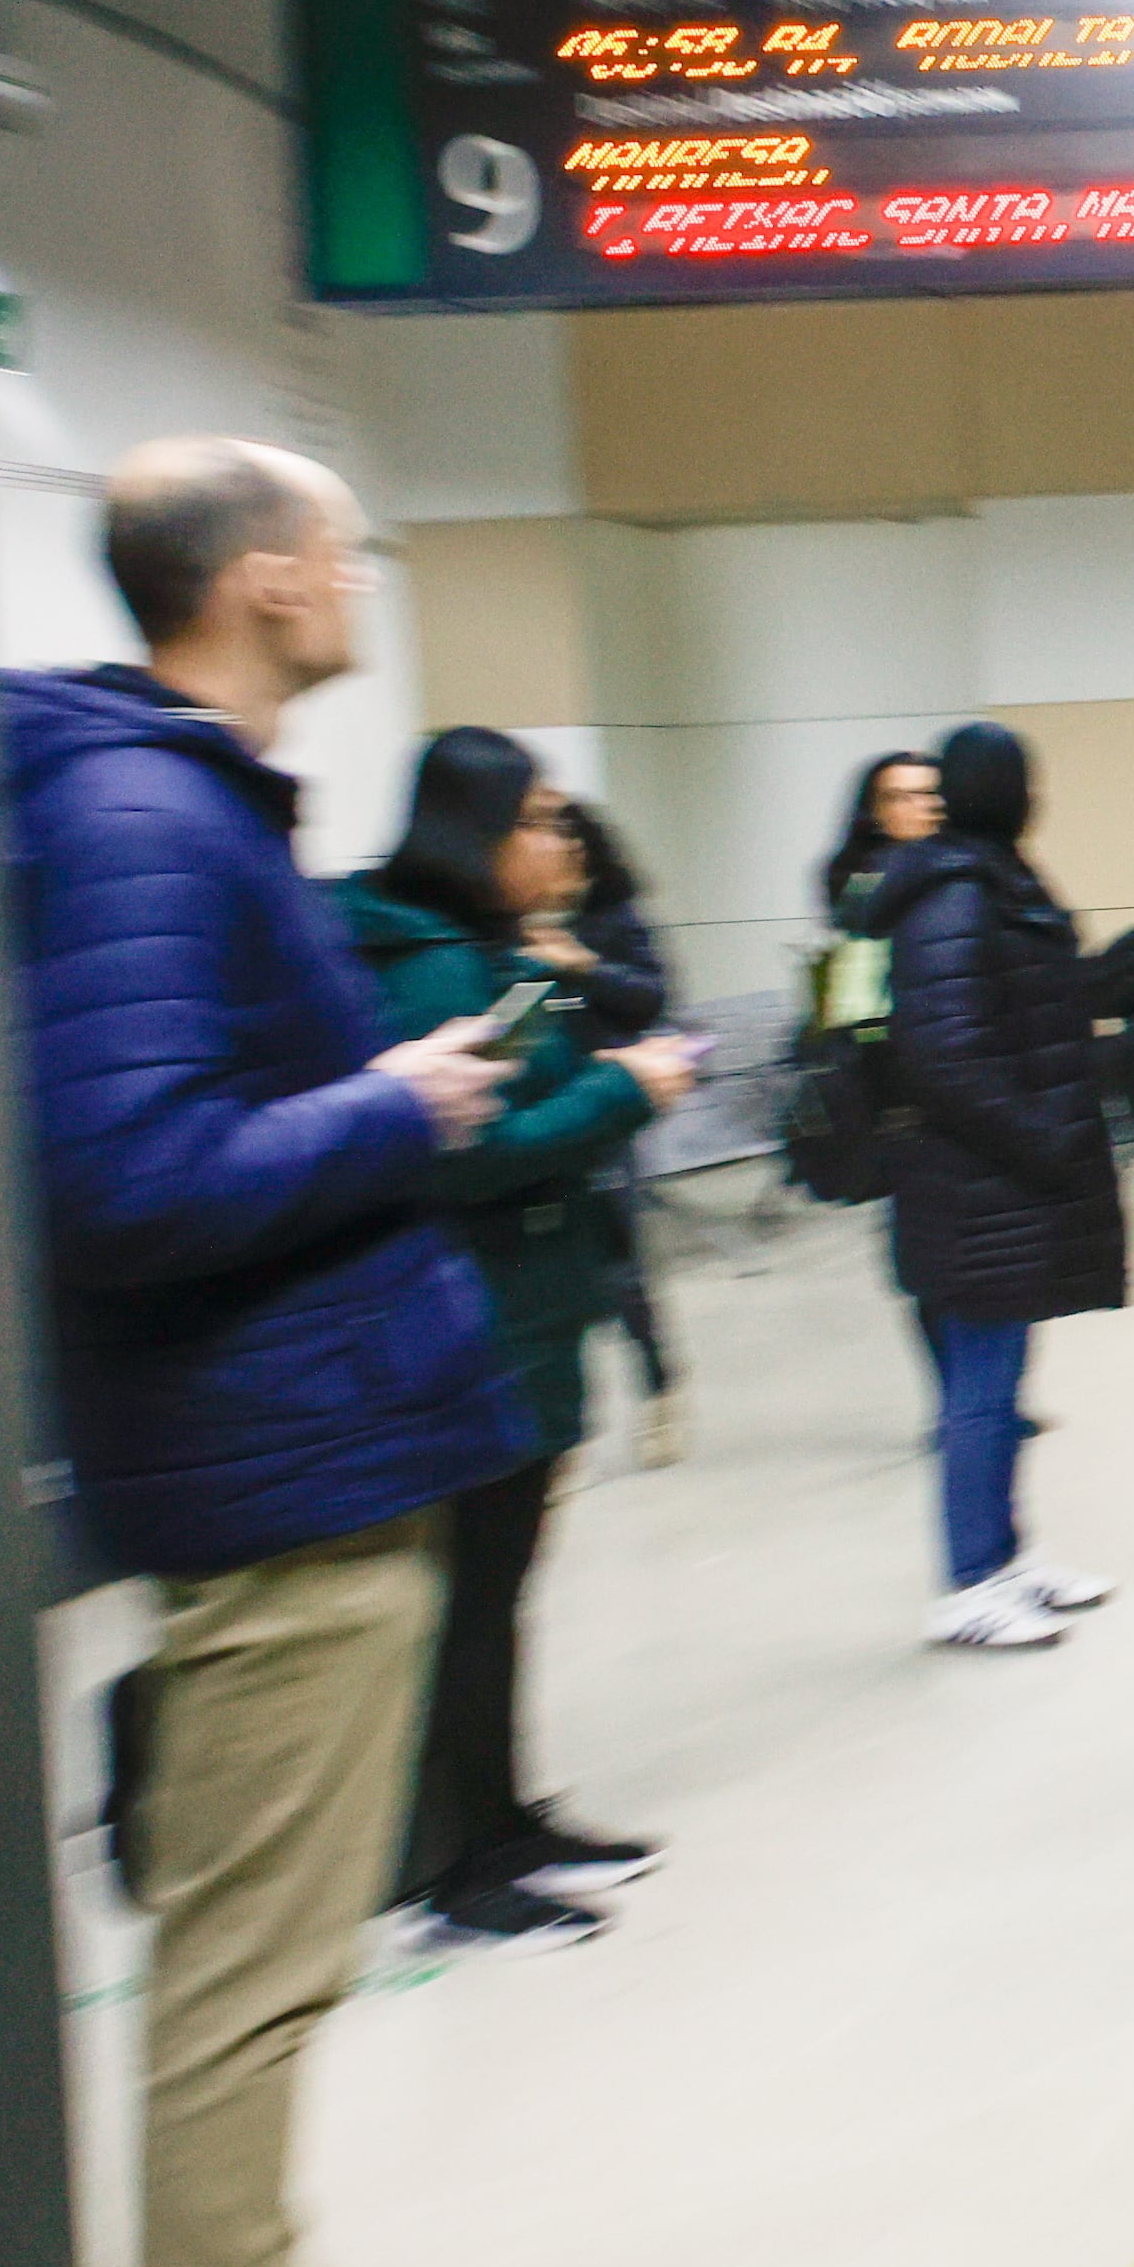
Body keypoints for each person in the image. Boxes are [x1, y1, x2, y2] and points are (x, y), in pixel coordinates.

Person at [5, 437, 524, 2267]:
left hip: (309, 1451)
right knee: (242, 1976)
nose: (363, 578)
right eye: (344, 548)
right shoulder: (142, 816)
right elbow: (124, 1180)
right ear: (263, 579)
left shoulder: (184, 806)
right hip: (270, 1478)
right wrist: (391, 1106)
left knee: (283, 1966)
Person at [340, 733, 704, 1948]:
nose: (566, 844)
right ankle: (445, 1866)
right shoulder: (435, 969)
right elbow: (476, 1152)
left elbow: (524, 1083)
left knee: (500, 1596)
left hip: (528, 1318)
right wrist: (624, 1093)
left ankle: (500, 1822)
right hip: (474, 1328)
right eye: (541, 822)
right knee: (467, 1604)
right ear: (476, 832)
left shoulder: (492, 954)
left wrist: (583, 1015)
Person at [867, 722, 1125, 1645]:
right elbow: (944, 1056)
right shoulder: (956, 896)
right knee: (979, 1388)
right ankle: (969, 1581)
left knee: (1002, 1382)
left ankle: (1006, 1558)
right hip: (974, 1184)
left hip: (1002, 1184)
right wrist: (1042, 1136)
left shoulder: (992, 881)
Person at [548, 796, 690, 1464]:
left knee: (620, 1262)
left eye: (574, 846)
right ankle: (566, 1421)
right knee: (558, 1266)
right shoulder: (515, 924)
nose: (562, 858)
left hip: (612, 1101)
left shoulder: (613, 920)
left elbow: (655, 997)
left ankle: (660, 1388)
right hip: (546, 1103)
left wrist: (582, 964)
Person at [818, 747, 941, 922]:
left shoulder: (973, 865)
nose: (920, 805)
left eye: (930, 793)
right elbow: (855, 926)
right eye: (897, 797)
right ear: (874, 809)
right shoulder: (863, 877)